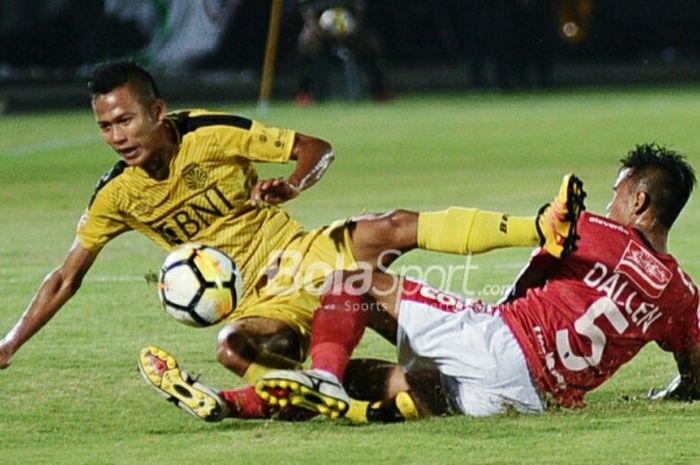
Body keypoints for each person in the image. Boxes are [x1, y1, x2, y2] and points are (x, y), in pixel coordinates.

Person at [0, 60, 574, 423]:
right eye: (105, 126)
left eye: (126, 120)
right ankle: (325, 392)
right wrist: (8, 345)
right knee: (234, 347)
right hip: (256, 301)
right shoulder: (116, 196)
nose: (117, 136)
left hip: (299, 252)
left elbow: (315, 146)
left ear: (157, 111)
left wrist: (294, 183)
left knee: (387, 227)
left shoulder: (210, 133)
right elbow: (65, 277)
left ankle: (539, 227)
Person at [258, 144, 700, 422]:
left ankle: (321, 379)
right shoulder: (680, 292)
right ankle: (293, 394)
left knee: (353, 281)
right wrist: (677, 392)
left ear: (638, 200)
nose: (609, 203)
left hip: (502, 344)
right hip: (529, 402)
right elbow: (695, 371)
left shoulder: (591, 229)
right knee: (380, 378)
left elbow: (524, 289)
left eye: (617, 194)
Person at [294, 0, 389, 104]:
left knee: (372, 43)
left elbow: (360, 11)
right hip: (321, 33)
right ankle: (305, 92)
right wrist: (322, 32)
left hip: (351, 33)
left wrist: (352, 30)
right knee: (306, 42)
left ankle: (379, 90)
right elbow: (308, 16)